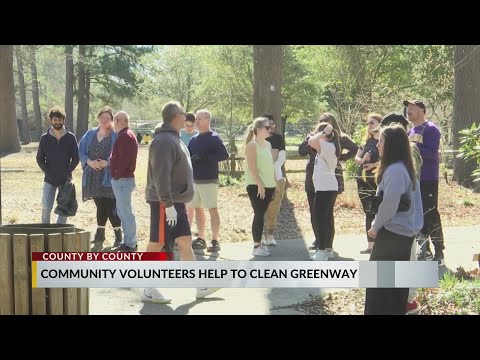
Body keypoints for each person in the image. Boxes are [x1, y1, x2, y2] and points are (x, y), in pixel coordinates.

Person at [142, 101, 219, 303]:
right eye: (184, 114)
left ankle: (200, 286)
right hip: (164, 202)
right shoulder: (164, 141)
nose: (186, 117)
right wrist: (167, 205)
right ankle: (147, 288)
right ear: (176, 116)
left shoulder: (175, 139)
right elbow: (161, 176)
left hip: (176, 202)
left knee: (185, 241)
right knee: (156, 243)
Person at [364, 125, 423, 315]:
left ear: (391, 145)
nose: (378, 145)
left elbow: (389, 204)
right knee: (395, 288)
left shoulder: (396, 170)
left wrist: (375, 226)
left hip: (392, 235)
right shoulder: (402, 167)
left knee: (381, 289)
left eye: (381, 141)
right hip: (401, 236)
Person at [381, 112, 423, 315]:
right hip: (401, 224)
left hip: (402, 224)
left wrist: (375, 225)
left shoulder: (403, 161)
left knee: (407, 264)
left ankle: (409, 302)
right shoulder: (396, 163)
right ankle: (404, 302)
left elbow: (394, 199)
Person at [299, 112, 359, 250]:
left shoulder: (339, 137)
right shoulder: (313, 137)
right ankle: (318, 239)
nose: (324, 123)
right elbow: (301, 150)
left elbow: (355, 149)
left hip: (329, 176)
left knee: (326, 212)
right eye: (321, 121)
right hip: (313, 175)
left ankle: (326, 244)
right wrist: (313, 137)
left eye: (327, 121)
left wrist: (342, 157)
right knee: (314, 211)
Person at [404, 99, 445, 267]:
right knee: (416, 213)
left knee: (430, 213)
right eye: (407, 108)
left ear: (422, 110)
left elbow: (431, 152)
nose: (408, 111)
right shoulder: (410, 130)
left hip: (428, 178)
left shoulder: (431, 129)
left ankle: (439, 252)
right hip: (414, 179)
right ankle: (424, 249)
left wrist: (413, 146)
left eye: (412, 108)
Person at [78, 106, 121, 246]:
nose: (104, 120)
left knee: (110, 205)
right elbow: (81, 150)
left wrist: (107, 162)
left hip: (108, 176)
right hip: (92, 176)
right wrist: (88, 162)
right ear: (98, 119)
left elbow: (119, 154)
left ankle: (118, 235)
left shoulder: (115, 135)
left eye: (108, 118)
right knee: (100, 205)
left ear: (111, 120)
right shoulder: (90, 133)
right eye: (102, 118)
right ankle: (100, 234)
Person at [188, 109, 229, 253]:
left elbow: (224, 155)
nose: (196, 121)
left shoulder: (214, 138)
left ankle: (215, 240)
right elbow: (189, 157)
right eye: (196, 119)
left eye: (200, 118)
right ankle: (201, 238)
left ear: (207, 121)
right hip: (194, 180)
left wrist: (206, 157)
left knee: (212, 209)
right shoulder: (193, 139)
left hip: (209, 180)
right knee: (198, 209)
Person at [36, 106, 79, 224]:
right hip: (49, 178)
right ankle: (45, 234)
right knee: (46, 208)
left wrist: (67, 171)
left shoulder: (70, 138)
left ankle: (60, 234)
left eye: (60, 120)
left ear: (63, 120)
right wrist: (47, 170)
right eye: (55, 120)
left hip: (65, 180)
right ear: (51, 120)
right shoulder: (45, 138)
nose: (58, 123)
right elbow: (39, 158)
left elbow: (76, 158)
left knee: (63, 210)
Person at [308, 123, 341, 261]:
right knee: (327, 218)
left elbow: (311, 141)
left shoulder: (327, 146)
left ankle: (321, 251)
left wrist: (323, 132)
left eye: (320, 134)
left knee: (320, 218)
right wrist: (322, 133)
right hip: (327, 187)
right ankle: (328, 249)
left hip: (325, 188)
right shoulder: (327, 147)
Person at [244, 117, 276, 256]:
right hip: (256, 185)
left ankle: (260, 243)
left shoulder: (268, 145)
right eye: (267, 128)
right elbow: (252, 168)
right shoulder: (252, 145)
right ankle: (256, 246)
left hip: (269, 185)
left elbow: (270, 166)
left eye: (271, 127)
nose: (270, 130)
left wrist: (275, 183)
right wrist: (260, 184)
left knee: (262, 213)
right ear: (258, 129)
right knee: (258, 214)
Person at [110, 111, 139, 252]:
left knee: (125, 212)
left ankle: (131, 243)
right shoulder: (126, 135)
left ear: (117, 120)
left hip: (123, 179)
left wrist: (116, 175)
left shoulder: (124, 136)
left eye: (114, 121)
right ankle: (128, 241)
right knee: (123, 211)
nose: (113, 124)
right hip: (123, 179)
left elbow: (123, 160)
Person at [354, 113, 382, 254]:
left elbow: (387, 159)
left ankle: (380, 244)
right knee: (368, 211)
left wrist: (373, 165)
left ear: (380, 124)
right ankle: (370, 245)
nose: (369, 125)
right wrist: (362, 160)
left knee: (378, 210)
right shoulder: (365, 142)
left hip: (377, 180)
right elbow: (356, 157)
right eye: (368, 123)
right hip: (363, 180)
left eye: (372, 122)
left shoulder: (383, 141)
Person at [262, 114, 286, 246]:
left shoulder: (278, 138)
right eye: (268, 123)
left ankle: (270, 235)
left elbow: (282, 157)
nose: (271, 126)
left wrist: (272, 167)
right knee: (260, 209)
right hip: (260, 178)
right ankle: (259, 236)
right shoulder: (258, 139)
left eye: (273, 123)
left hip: (276, 176)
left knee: (274, 207)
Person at [180, 112, 199, 225]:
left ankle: (189, 226)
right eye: (187, 125)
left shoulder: (198, 134)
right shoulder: (180, 134)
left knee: (192, 203)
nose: (189, 128)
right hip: (182, 169)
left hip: (195, 170)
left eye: (192, 125)